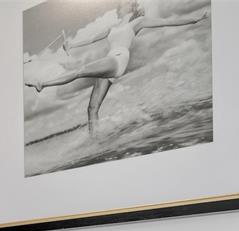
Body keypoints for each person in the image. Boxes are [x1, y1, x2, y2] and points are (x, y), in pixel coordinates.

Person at [25, 0, 210, 135]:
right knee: (92, 108)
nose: (120, 4)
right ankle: (95, 143)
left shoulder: (137, 22)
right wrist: (70, 45)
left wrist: (195, 19)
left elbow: (166, 22)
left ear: (132, 6)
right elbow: (90, 39)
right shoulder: (112, 28)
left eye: (125, 2)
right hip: (110, 62)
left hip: (118, 59)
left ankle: (43, 84)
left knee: (80, 71)